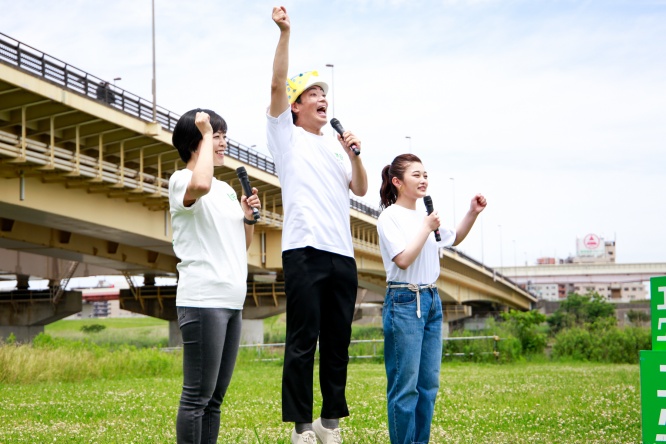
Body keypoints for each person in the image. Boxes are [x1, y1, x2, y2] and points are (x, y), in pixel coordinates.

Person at [267, 6, 369, 444]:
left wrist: (355, 154)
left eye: (324, 94)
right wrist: (286, 33)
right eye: (313, 93)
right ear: (296, 105)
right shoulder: (285, 137)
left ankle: (331, 424)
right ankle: (302, 427)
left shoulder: (335, 146)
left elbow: (361, 189)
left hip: (342, 256)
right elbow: (275, 84)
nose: (322, 98)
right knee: (303, 340)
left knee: (338, 342)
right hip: (304, 251)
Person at [377, 154, 487, 444]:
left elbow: (455, 237)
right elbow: (402, 259)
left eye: (425, 174)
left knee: (428, 385)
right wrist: (426, 228)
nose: (423, 179)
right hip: (404, 301)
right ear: (397, 181)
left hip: (431, 299)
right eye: (416, 175)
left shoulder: (425, 215)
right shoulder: (390, 217)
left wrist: (472, 212)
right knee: (405, 387)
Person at [168, 108, 261, 444]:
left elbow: (241, 244)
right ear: (197, 141)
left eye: (223, 136)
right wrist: (206, 133)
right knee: (196, 397)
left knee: (214, 401)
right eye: (216, 136)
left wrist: (248, 218)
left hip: (231, 301)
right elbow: (200, 183)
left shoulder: (224, 189)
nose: (223, 143)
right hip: (203, 300)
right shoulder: (183, 180)